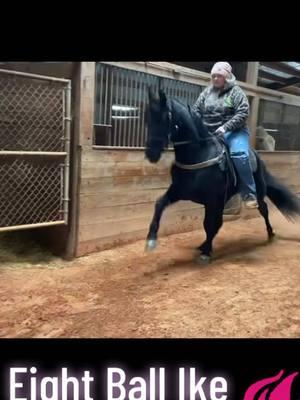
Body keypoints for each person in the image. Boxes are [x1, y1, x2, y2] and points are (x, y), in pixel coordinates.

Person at [192, 61, 258, 209]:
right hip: (209, 131)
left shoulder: (236, 92)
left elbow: (243, 113)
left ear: (227, 76)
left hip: (234, 131)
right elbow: (196, 110)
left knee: (239, 154)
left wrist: (225, 127)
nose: (215, 79)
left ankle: (249, 193)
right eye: (213, 76)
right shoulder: (207, 92)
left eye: (219, 76)